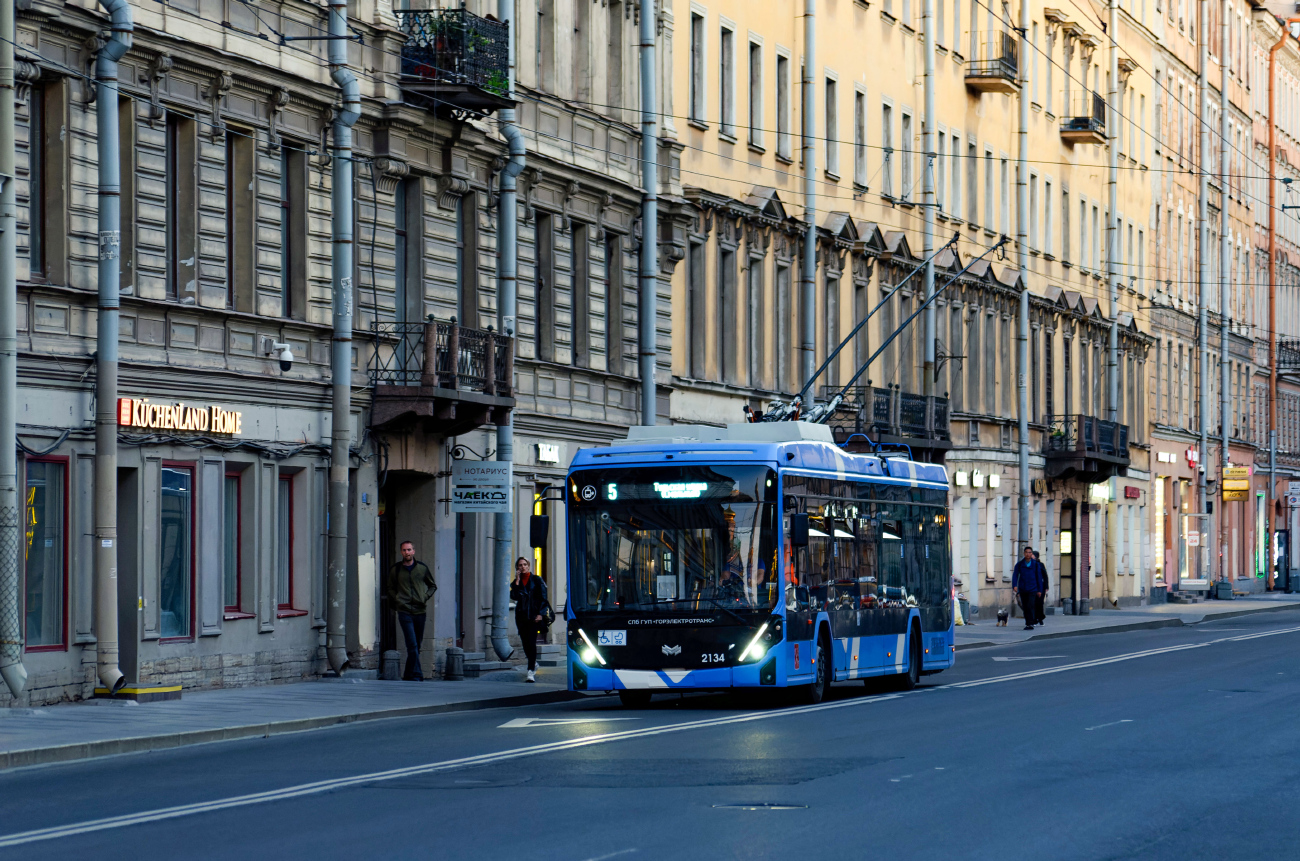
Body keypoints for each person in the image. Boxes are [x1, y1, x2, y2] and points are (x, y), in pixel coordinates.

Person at [387, 540, 436, 681]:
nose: (406, 552)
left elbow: (432, 586)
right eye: (404, 550)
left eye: (409, 550)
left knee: (416, 645)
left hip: (420, 611)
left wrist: (424, 597)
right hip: (404, 611)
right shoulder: (396, 570)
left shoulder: (422, 568)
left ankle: (408, 674)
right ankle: (417, 675)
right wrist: (398, 600)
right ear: (401, 552)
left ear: (413, 551)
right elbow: (390, 587)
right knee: (412, 644)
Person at [510, 556, 548, 683]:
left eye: (525, 564)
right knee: (525, 643)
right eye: (520, 565)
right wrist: (517, 580)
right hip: (521, 617)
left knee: (531, 643)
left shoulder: (536, 580)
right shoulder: (516, 582)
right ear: (517, 568)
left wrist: (540, 614)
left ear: (529, 566)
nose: (523, 567)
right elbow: (514, 596)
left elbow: (544, 598)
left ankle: (530, 671)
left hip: (533, 617)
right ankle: (533, 662)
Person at [1011, 546, 1044, 631]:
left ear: (1031, 554)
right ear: (1024, 553)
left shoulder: (1035, 565)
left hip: (1033, 588)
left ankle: (1031, 622)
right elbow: (1015, 575)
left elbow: (1039, 577)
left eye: (1029, 552)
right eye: (1026, 552)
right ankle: (1028, 623)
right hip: (1023, 588)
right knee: (1025, 607)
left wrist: (1039, 590)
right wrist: (1014, 585)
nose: (1028, 554)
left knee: (1030, 605)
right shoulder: (1020, 564)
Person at [1033, 550, 1048, 627]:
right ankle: (1035, 619)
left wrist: (1046, 586)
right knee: (1033, 603)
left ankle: (1040, 618)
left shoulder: (1040, 565)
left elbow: (1045, 576)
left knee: (1039, 603)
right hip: (1032, 586)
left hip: (1041, 587)